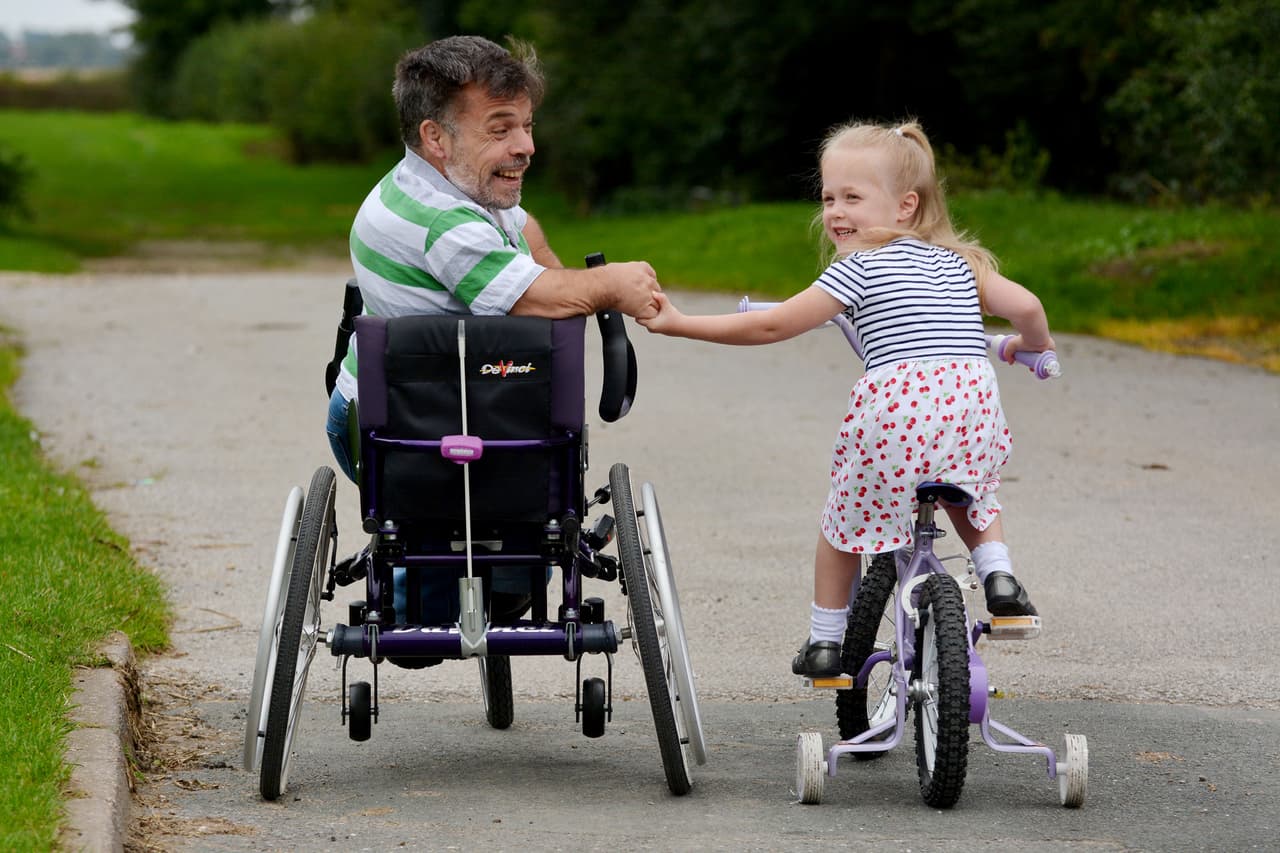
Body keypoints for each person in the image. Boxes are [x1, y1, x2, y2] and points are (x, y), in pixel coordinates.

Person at [637, 120, 1054, 678]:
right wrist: (1034, 346)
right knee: (970, 493)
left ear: (906, 206)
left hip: (894, 416)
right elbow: (1025, 305)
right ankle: (999, 575)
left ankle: (826, 643)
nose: (835, 211)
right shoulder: (961, 263)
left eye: (852, 198)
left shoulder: (855, 270)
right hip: (972, 411)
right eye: (829, 197)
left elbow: (772, 326)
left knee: (840, 524)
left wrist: (679, 323)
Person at [326, 35, 662, 627]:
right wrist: (612, 285)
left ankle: (488, 582)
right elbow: (537, 300)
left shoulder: (444, 181)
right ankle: (434, 599)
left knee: (501, 532)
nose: (526, 147)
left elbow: (524, 227)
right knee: (459, 580)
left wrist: (553, 270)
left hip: (410, 404)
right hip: (410, 435)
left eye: (527, 126)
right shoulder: (444, 224)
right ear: (436, 136)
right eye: (502, 129)